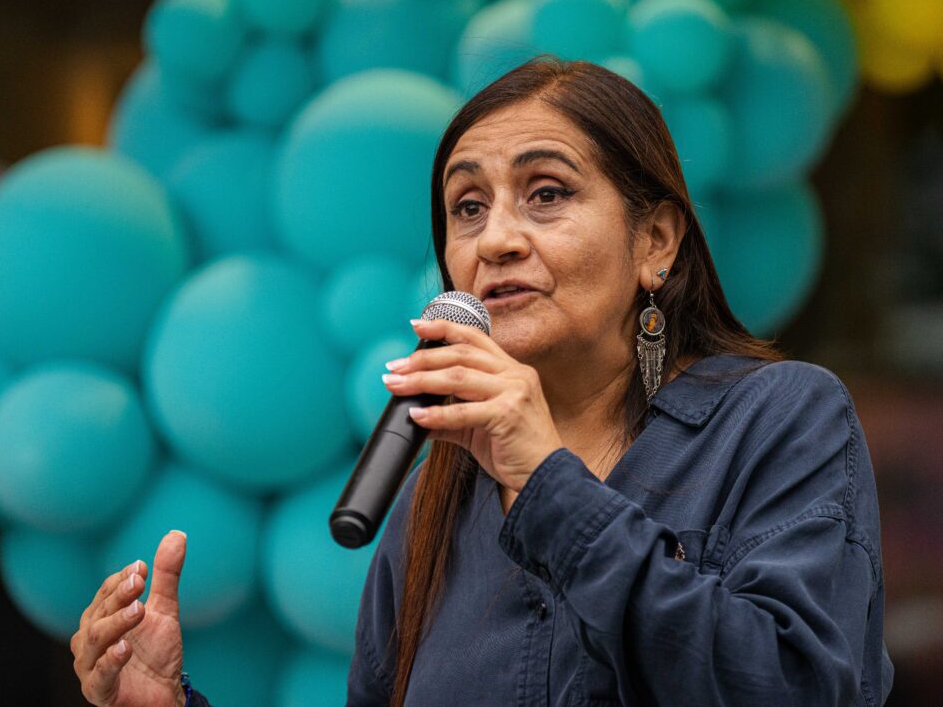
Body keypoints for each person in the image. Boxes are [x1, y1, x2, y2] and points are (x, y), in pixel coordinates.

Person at [70, 55, 894, 706]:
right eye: (467, 207)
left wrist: (547, 484)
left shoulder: (781, 419)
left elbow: (793, 687)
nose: (495, 238)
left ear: (658, 242)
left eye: (546, 193)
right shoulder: (431, 508)